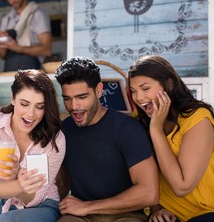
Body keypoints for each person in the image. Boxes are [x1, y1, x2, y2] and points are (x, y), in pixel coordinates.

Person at [54, 56, 159, 222]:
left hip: (126, 214)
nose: (74, 106)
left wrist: (88, 206)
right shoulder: (63, 131)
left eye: (82, 97)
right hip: (80, 216)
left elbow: (149, 192)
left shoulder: (127, 128)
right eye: (67, 98)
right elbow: (60, 184)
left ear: (98, 90)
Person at [128, 55, 214, 222]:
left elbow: (182, 186)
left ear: (168, 84)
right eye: (133, 91)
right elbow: (146, 174)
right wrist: (157, 208)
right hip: (169, 216)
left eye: (145, 88)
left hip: (207, 214)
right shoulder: (139, 120)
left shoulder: (197, 119)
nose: (138, 98)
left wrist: (156, 131)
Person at [0, 70, 65, 222]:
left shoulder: (55, 138)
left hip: (43, 205)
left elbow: (34, 198)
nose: (31, 114)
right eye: (24, 104)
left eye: (39, 106)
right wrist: (18, 184)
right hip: (3, 202)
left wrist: (19, 180)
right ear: (13, 98)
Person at [0, 0, 52, 72]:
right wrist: (2, 41)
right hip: (9, 72)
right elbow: (2, 56)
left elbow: (47, 49)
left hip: (32, 72)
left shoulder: (38, 15)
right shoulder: (6, 19)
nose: (11, 1)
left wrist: (18, 48)